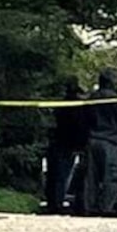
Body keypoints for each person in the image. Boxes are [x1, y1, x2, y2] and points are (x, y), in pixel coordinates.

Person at [83, 76, 117, 217]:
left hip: (92, 139)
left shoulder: (91, 99)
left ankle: (89, 207)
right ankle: (106, 207)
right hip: (111, 140)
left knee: (91, 176)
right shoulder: (115, 100)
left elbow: (84, 119)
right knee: (112, 175)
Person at [42, 83, 90, 214]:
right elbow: (81, 127)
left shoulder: (61, 106)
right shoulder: (79, 108)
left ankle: (53, 202)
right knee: (64, 175)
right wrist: (81, 143)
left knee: (55, 175)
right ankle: (59, 203)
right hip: (70, 144)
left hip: (58, 142)